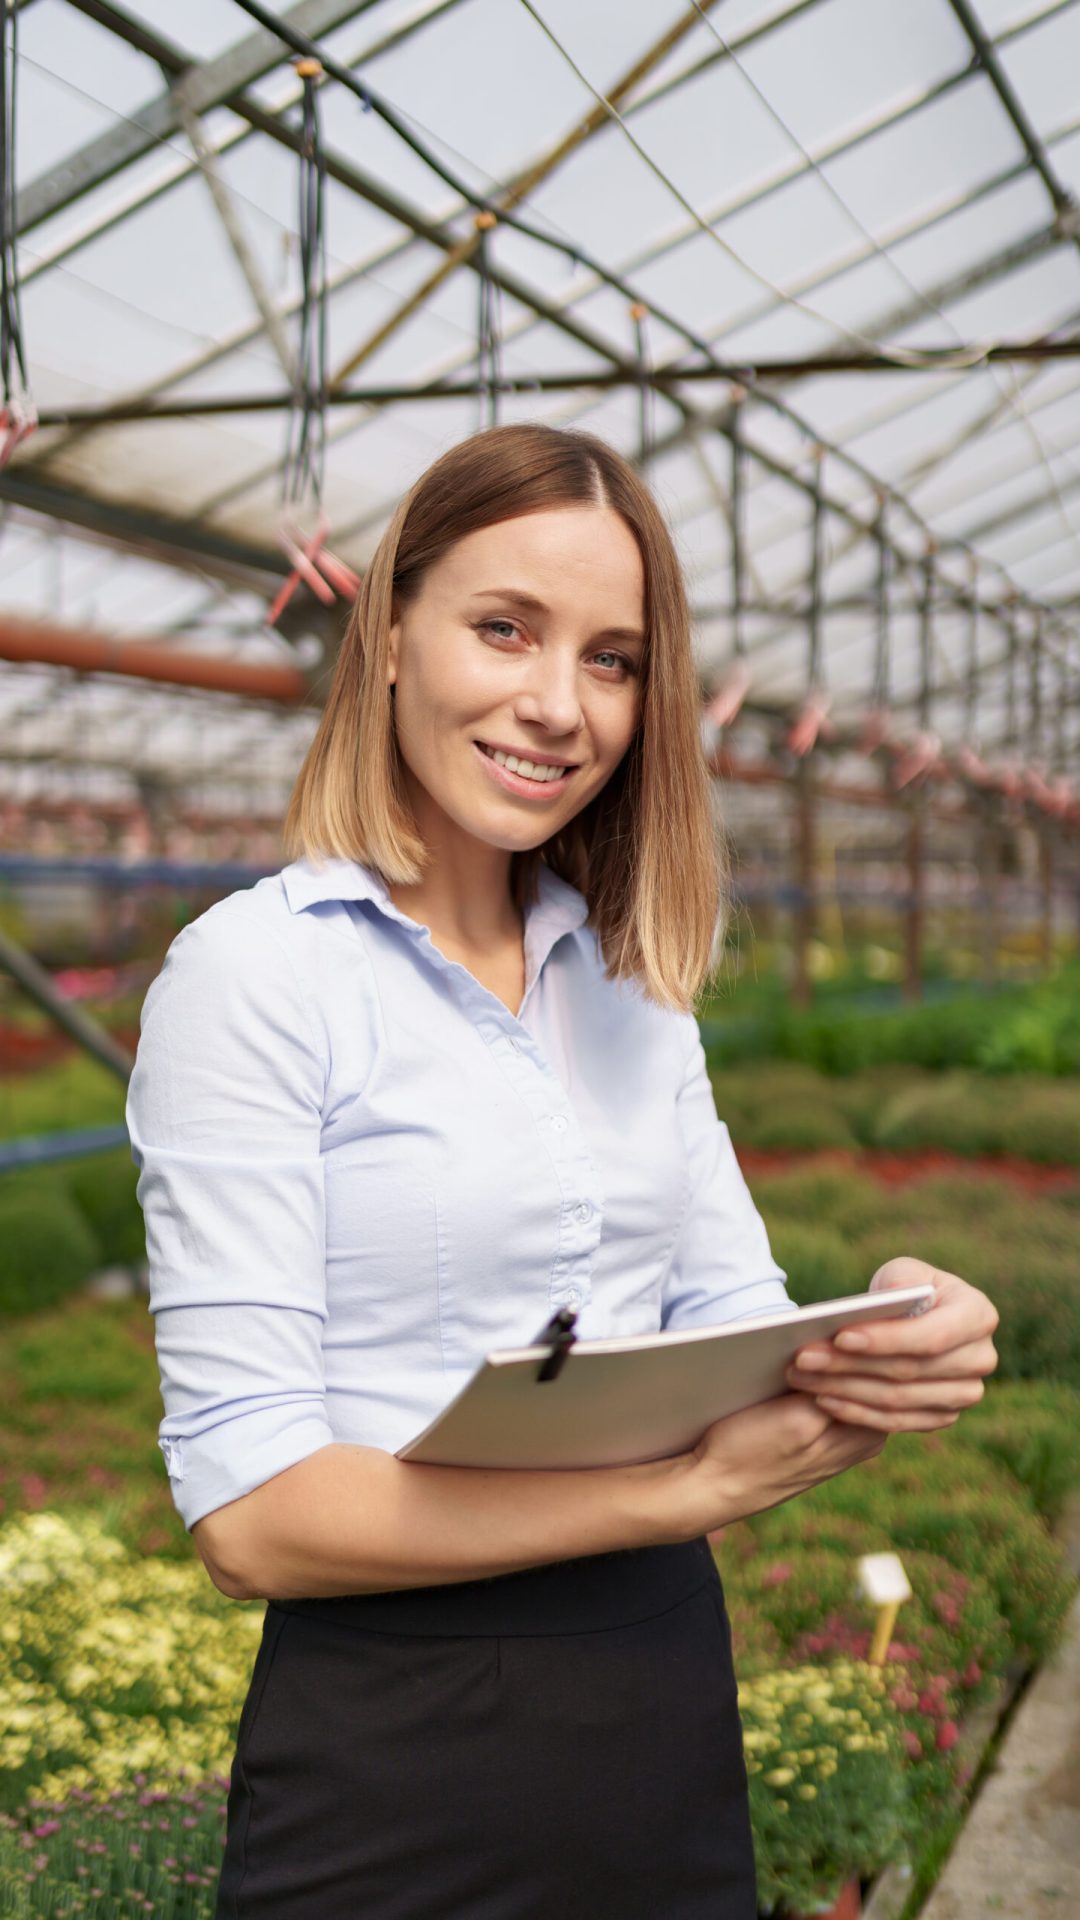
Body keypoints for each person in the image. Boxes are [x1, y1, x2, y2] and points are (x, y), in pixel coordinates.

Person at [126, 422, 999, 1920]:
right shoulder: (260, 975)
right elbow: (254, 1513)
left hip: (660, 1700)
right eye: (505, 629)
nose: (557, 704)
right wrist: (677, 1495)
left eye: (612, 659)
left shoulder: (631, 981)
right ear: (390, 633)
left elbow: (732, 1323)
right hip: (398, 1748)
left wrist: (891, 1329)